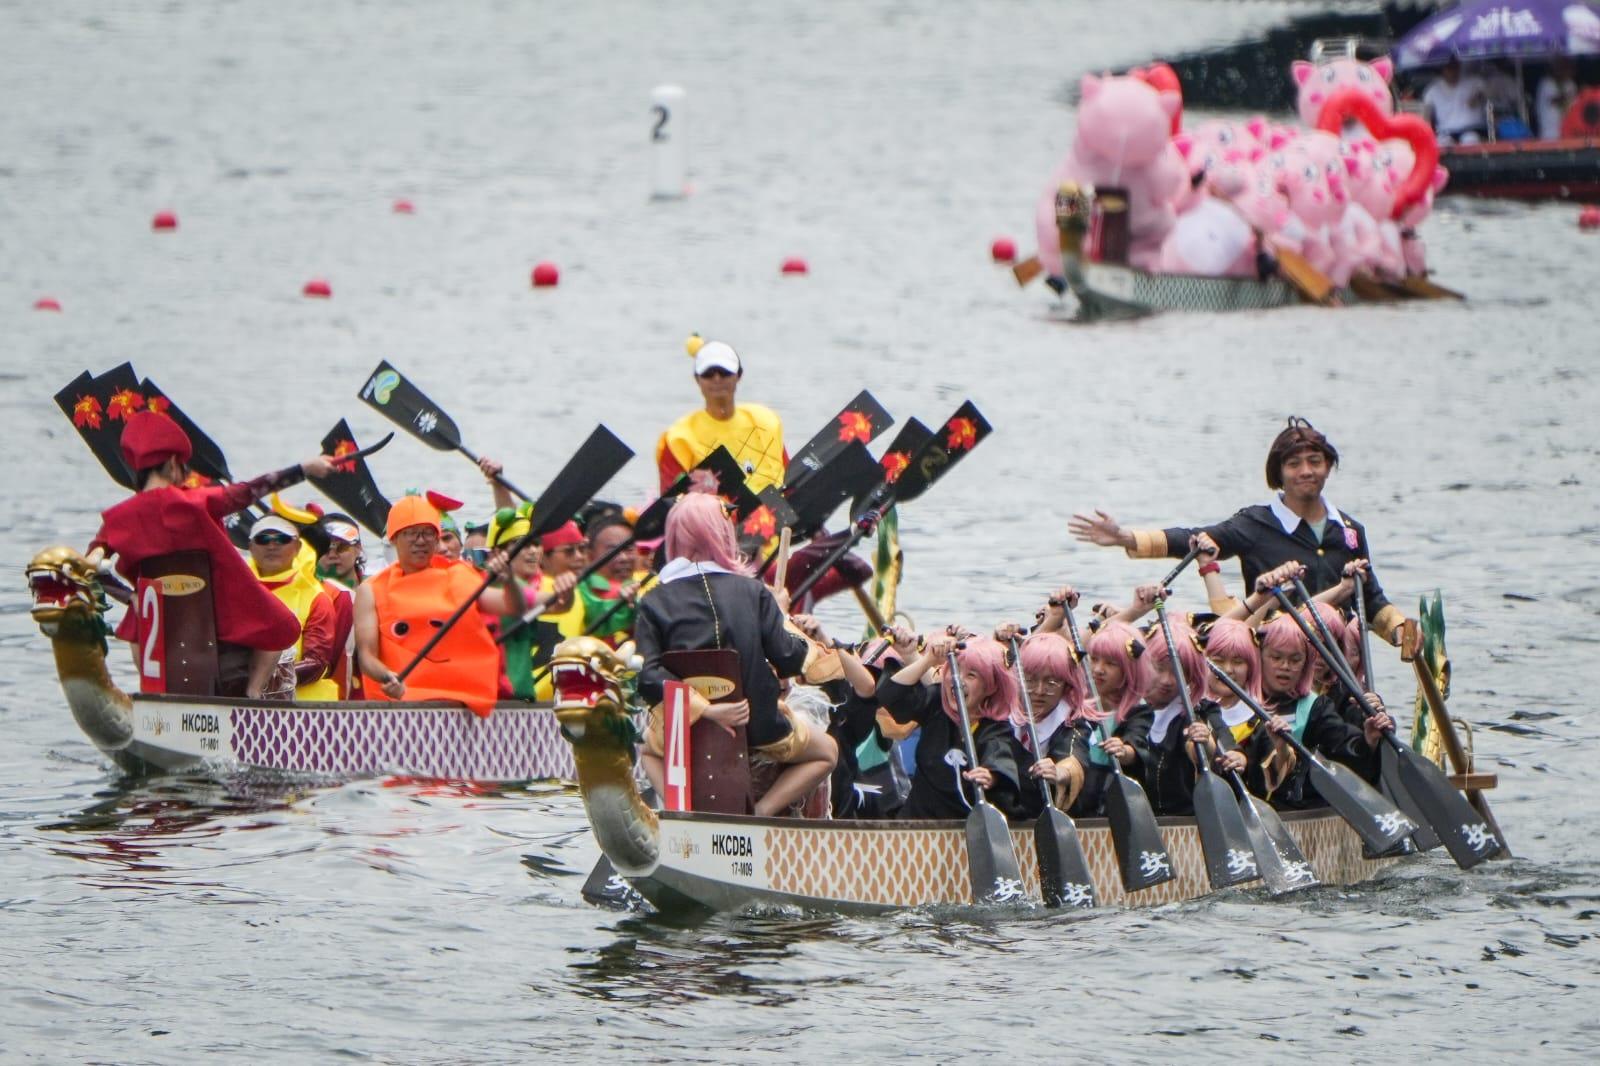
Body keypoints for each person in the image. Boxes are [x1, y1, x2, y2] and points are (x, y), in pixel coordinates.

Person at [1068, 417, 1409, 646]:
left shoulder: (1349, 531)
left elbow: (1370, 599)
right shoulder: (1256, 524)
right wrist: (1126, 538)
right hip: (1276, 655)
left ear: (1328, 467)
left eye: (1315, 462)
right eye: (1294, 464)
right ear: (1279, 474)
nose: (1306, 471)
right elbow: (1196, 539)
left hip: (1339, 661)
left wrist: (1399, 631)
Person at [87, 409, 336, 700]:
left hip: (156, 614)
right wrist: (304, 468)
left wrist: (131, 597)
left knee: (136, 620)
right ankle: (254, 691)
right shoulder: (198, 501)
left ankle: (152, 691)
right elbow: (251, 490)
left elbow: (89, 568)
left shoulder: (116, 518)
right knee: (282, 624)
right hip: (217, 609)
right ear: (172, 464)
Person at [633, 492, 838, 817]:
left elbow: (647, 677)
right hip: (758, 726)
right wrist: (783, 619)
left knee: (647, 751)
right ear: (722, 535)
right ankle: (761, 813)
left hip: (689, 730)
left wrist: (705, 710)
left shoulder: (653, 601)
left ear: (673, 538)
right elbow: (789, 658)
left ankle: (682, 811)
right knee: (827, 752)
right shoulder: (754, 592)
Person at [353, 494, 522, 714]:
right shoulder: (371, 589)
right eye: (411, 533)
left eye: (428, 533)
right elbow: (366, 656)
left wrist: (509, 581)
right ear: (394, 538)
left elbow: (512, 607)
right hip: (401, 702)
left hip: (461, 701)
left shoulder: (459, 575)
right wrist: (387, 677)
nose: (421, 541)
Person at [877, 632, 1021, 820]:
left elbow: (999, 755)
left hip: (964, 822)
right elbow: (889, 695)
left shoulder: (994, 727)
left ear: (991, 686)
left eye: (971, 675)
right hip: (916, 820)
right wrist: (928, 660)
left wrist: (991, 776)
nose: (958, 680)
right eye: (955, 670)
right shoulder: (936, 703)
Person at [656, 338, 788, 493]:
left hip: (774, 505)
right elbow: (670, 500)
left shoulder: (765, 422)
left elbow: (789, 479)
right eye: (708, 374)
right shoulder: (678, 438)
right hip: (712, 507)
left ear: (738, 376)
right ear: (697, 379)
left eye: (724, 372)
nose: (717, 379)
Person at [247, 514, 340, 700]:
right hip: (241, 700)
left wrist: (264, 680)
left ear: (297, 547)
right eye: (263, 539)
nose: (272, 546)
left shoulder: (316, 597)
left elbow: (317, 663)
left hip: (299, 709)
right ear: (250, 546)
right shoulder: (233, 588)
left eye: (282, 539)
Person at [313, 512, 363, 698]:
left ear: (358, 548)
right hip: (323, 694)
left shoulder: (377, 589)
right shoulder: (309, 595)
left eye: (341, 547)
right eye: (325, 548)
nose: (333, 555)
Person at [578, 511, 646, 647]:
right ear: (589, 555)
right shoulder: (577, 589)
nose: (623, 558)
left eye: (628, 549)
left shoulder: (650, 584)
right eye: (612, 551)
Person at [1422, 58, 1488, 145]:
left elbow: (1484, 97)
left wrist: (1478, 97)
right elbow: (1426, 116)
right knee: (1442, 143)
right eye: (1449, 68)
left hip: (1472, 129)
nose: (1452, 71)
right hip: (1446, 132)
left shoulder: (1475, 82)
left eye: (1455, 67)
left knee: (1470, 139)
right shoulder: (1432, 90)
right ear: (1442, 69)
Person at [1536, 56, 1578, 140]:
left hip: (1567, 133)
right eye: (1563, 68)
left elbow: (1575, 105)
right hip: (1550, 134)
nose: (1567, 72)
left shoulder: (1570, 84)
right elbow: (1555, 100)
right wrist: (1570, 96)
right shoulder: (1547, 83)